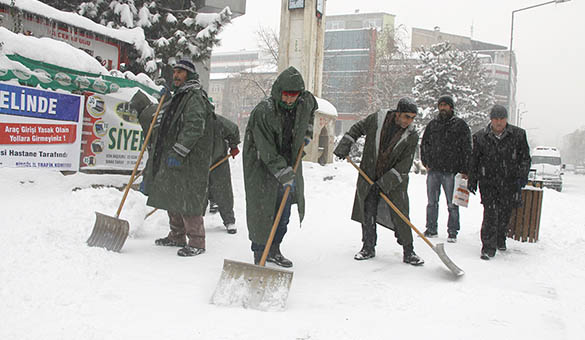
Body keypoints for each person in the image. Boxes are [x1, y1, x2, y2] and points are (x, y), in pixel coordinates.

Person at [130, 58, 216, 257]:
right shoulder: (179, 96)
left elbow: (194, 126)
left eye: (181, 72)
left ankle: (197, 241)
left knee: (187, 198)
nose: (176, 75)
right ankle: (177, 235)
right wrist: (167, 100)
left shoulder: (194, 96)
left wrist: (179, 151)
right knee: (172, 194)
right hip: (172, 154)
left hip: (189, 158)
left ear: (190, 75)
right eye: (175, 71)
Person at [333, 98, 424, 266]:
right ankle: (368, 247)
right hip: (370, 172)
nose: (408, 121)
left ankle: (408, 250)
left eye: (412, 118)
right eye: (406, 116)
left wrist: (383, 184)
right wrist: (346, 144)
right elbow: (358, 128)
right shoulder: (377, 120)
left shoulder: (411, 136)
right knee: (368, 210)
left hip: (394, 179)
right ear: (397, 113)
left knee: (400, 213)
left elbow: (404, 166)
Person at [243, 66, 317, 268]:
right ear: (279, 91)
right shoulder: (264, 111)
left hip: (288, 163)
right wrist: (284, 173)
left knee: (283, 211)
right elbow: (265, 149)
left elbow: (311, 111)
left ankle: (274, 249)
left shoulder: (304, 103)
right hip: (261, 164)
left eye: (294, 95)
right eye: (286, 95)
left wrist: (307, 135)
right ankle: (260, 254)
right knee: (261, 211)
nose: (289, 100)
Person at [468, 104, 531, 260]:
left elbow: (525, 158)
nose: (498, 122)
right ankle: (487, 247)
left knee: (505, 212)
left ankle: (500, 238)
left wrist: (522, 176)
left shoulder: (518, 135)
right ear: (491, 120)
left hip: (509, 181)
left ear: (506, 119)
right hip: (488, 181)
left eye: (501, 119)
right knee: (490, 213)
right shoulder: (480, 137)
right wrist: (472, 179)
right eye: (495, 119)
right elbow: (474, 160)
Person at [420, 95, 472, 243]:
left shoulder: (460, 126)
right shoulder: (432, 125)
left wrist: (465, 169)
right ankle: (431, 228)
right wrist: (425, 161)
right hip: (434, 170)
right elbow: (424, 144)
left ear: (451, 107)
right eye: (440, 105)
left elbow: (467, 148)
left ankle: (453, 231)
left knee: (452, 203)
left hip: (452, 172)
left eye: (445, 105)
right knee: (431, 202)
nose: (442, 108)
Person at [208, 114, 241, 234]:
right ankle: (194, 224)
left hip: (218, 160)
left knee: (223, 190)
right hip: (198, 163)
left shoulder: (217, 121)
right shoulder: (190, 120)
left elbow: (234, 129)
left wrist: (233, 146)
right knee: (197, 191)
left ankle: (229, 221)